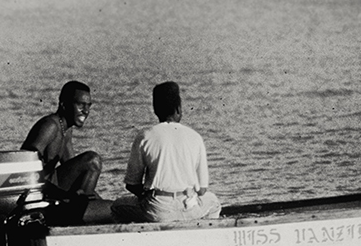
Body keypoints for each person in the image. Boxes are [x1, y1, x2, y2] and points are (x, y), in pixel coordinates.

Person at [112, 81, 222, 223]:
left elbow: (132, 184)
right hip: (189, 207)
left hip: (159, 210)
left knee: (116, 207)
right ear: (178, 109)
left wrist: (146, 195)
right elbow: (202, 190)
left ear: (155, 110)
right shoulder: (195, 136)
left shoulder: (145, 136)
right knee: (213, 202)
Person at [23, 80, 114, 224]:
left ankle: (80, 213)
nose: (86, 111)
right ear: (63, 104)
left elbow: (76, 174)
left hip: (51, 190)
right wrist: (65, 196)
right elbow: (25, 171)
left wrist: (97, 200)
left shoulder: (66, 129)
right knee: (93, 160)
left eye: (88, 106)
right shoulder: (50, 126)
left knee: (112, 207)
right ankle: (75, 216)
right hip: (39, 195)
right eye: (80, 105)